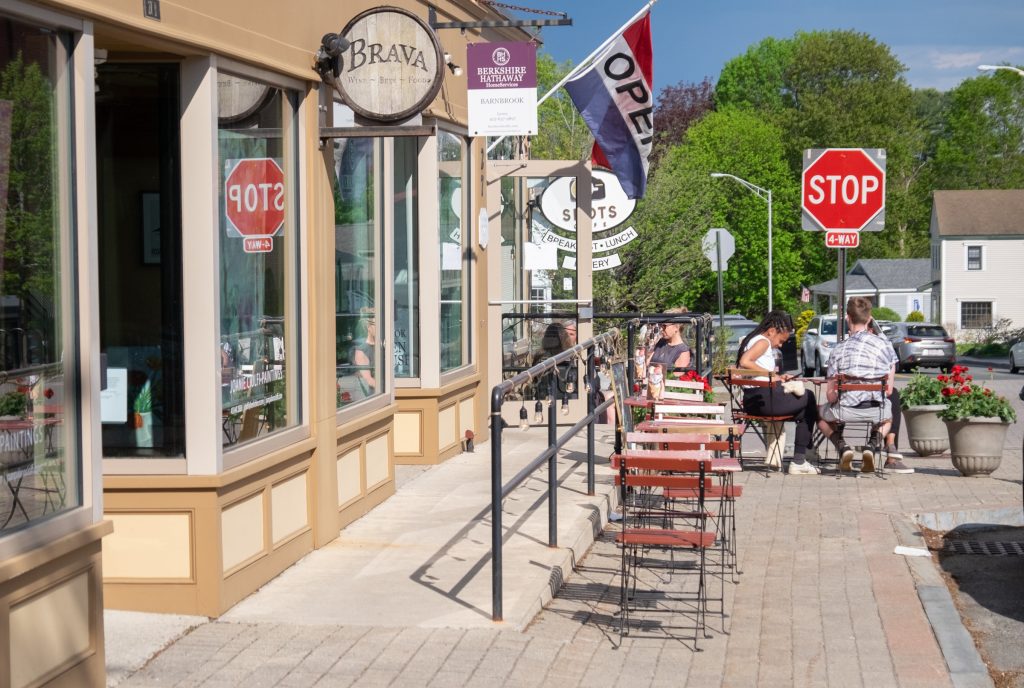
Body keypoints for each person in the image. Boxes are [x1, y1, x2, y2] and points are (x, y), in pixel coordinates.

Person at [818, 297, 912, 474]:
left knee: (819, 414)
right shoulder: (885, 346)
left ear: (848, 318)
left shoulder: (838, 349)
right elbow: (888, 390)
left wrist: (839, 396)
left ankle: (843, 447)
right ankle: (872, 446)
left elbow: (831, 395)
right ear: (869, 319)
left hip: (845, 411)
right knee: (888, 416)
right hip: (876, 410)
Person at [737, 310, 821, 475]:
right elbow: (745, 361)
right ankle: (800, 458)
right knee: (809, 397)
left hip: (751, 401)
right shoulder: (763, 342)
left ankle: (801, 458)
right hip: (765, 400)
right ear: (772, 331)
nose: (781, 345)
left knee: (803, 411)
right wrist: (771, 374)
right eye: (781, 340)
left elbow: (754, 371)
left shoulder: (752, 340)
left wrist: (778, 377)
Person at [649, 307, 692, 375]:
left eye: (664, 326)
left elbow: (676, 377)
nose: (661, 329)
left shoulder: (683, 351)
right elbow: (647, 362)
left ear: (676, 327)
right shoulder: (661, 342)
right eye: (660, 325)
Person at [351, 311, 377, 393]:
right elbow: (369, 380)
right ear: (368, 327)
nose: (380, 328)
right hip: (375, 395)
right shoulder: (361, 351)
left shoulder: (382, 346)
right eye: (376, 325)